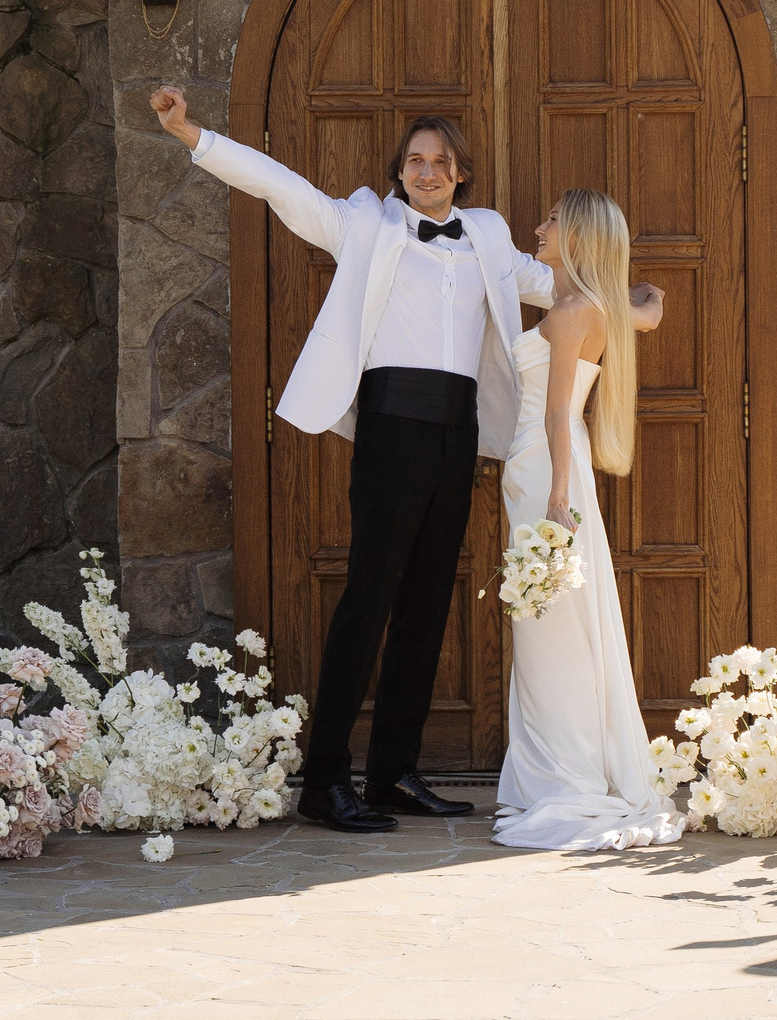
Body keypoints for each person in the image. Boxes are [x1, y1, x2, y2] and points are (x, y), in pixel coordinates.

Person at [148, 85, 659, 831]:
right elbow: (280, 186)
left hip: (458, 433)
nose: (427, 171)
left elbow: (580, 291)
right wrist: (192, 133)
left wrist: (644, 303)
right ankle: (326, 779)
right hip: (391, 426)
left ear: (460, 174)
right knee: (369, 597)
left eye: (441, 161)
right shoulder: (365, 223)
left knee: (426, 603)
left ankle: (393, 772)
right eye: (415, 161)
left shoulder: (485, 235)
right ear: (399, 173)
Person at [492, 191, 683, 852]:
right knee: (551, 617)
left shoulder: (575, 311)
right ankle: (563, 765)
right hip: (544, 467)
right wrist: (646, 291)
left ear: (575, 237)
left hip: (549, 468)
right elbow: (651, 309)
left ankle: (565, 778)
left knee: (551, 623)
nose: (537, 227)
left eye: (550, 221)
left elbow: (553, 412)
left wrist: (555, 499)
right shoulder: (604, 306)